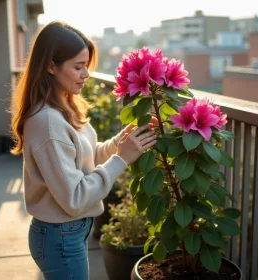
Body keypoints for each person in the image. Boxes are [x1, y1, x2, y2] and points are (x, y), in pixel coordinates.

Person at [9, 21, 157, 280]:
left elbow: (85, 157)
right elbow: (75, 198)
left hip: (66, 233)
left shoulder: (61, 108)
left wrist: (120, 142)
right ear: (50, 66)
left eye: (86, 66)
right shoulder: (47, 123)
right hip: (60, 237)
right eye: (78, 67)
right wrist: (121, 158)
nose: (86, 74)